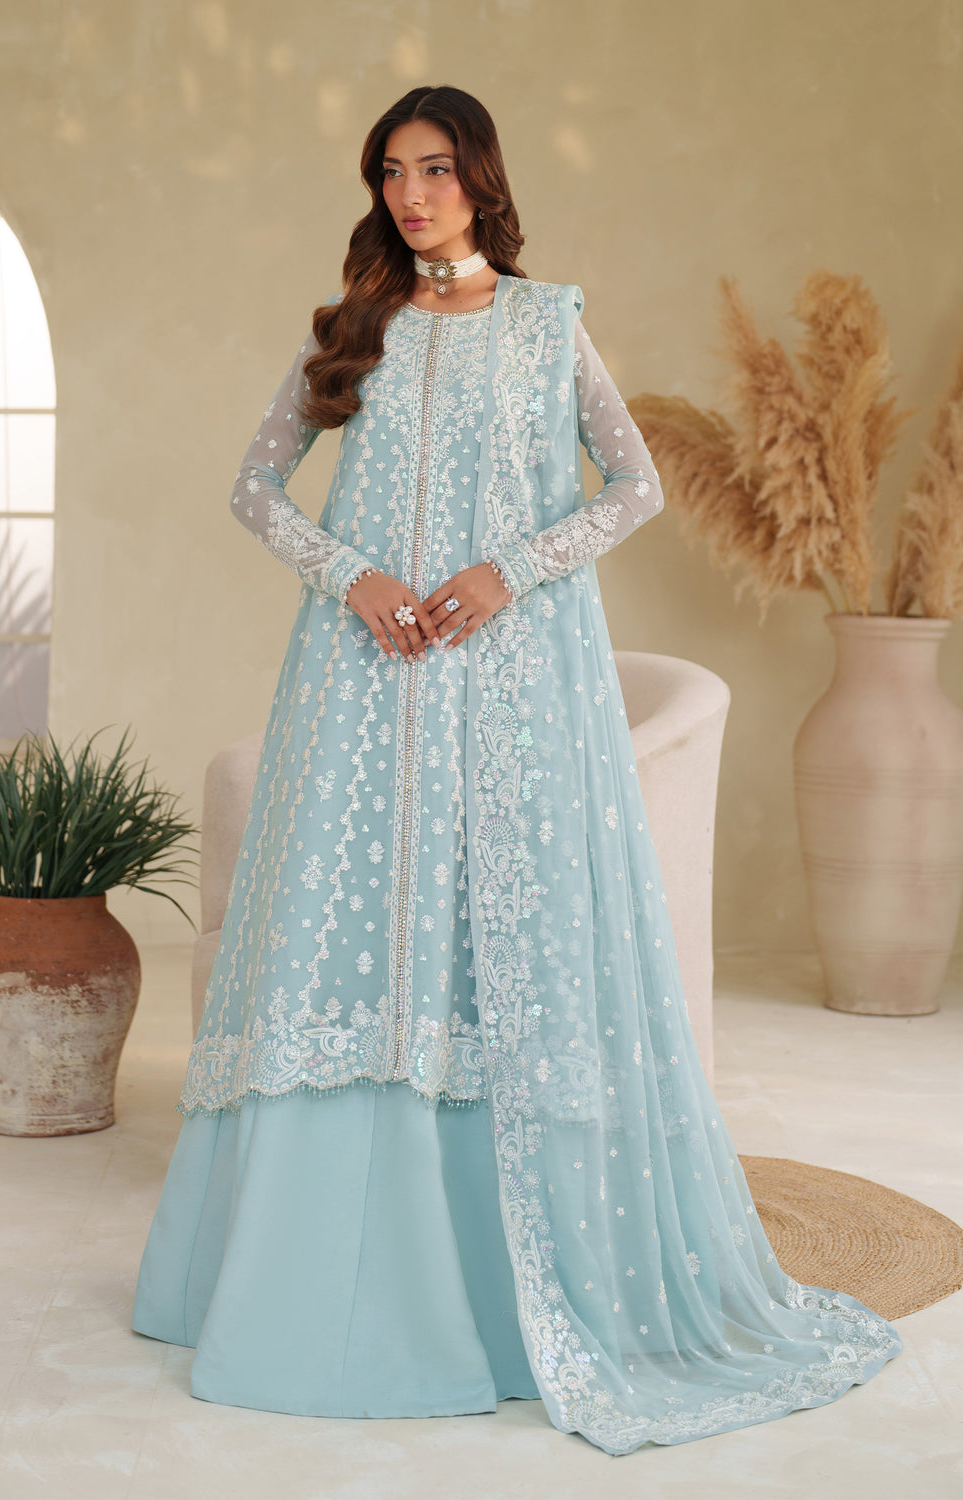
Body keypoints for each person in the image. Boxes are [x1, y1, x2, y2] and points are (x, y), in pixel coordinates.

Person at [132, 84, 900, 1455]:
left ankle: (501, 1286)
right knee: (354, 943)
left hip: (510, 684)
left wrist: (511, 570)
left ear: (481, 179)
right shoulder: (351, 330)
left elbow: (635, 484)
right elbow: (256, 488)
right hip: (361, 682)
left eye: (435, 169)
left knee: (493, 947)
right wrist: (352, 576)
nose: (412, 194)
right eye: (391, 173)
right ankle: (315, 1279)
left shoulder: (550, 327)